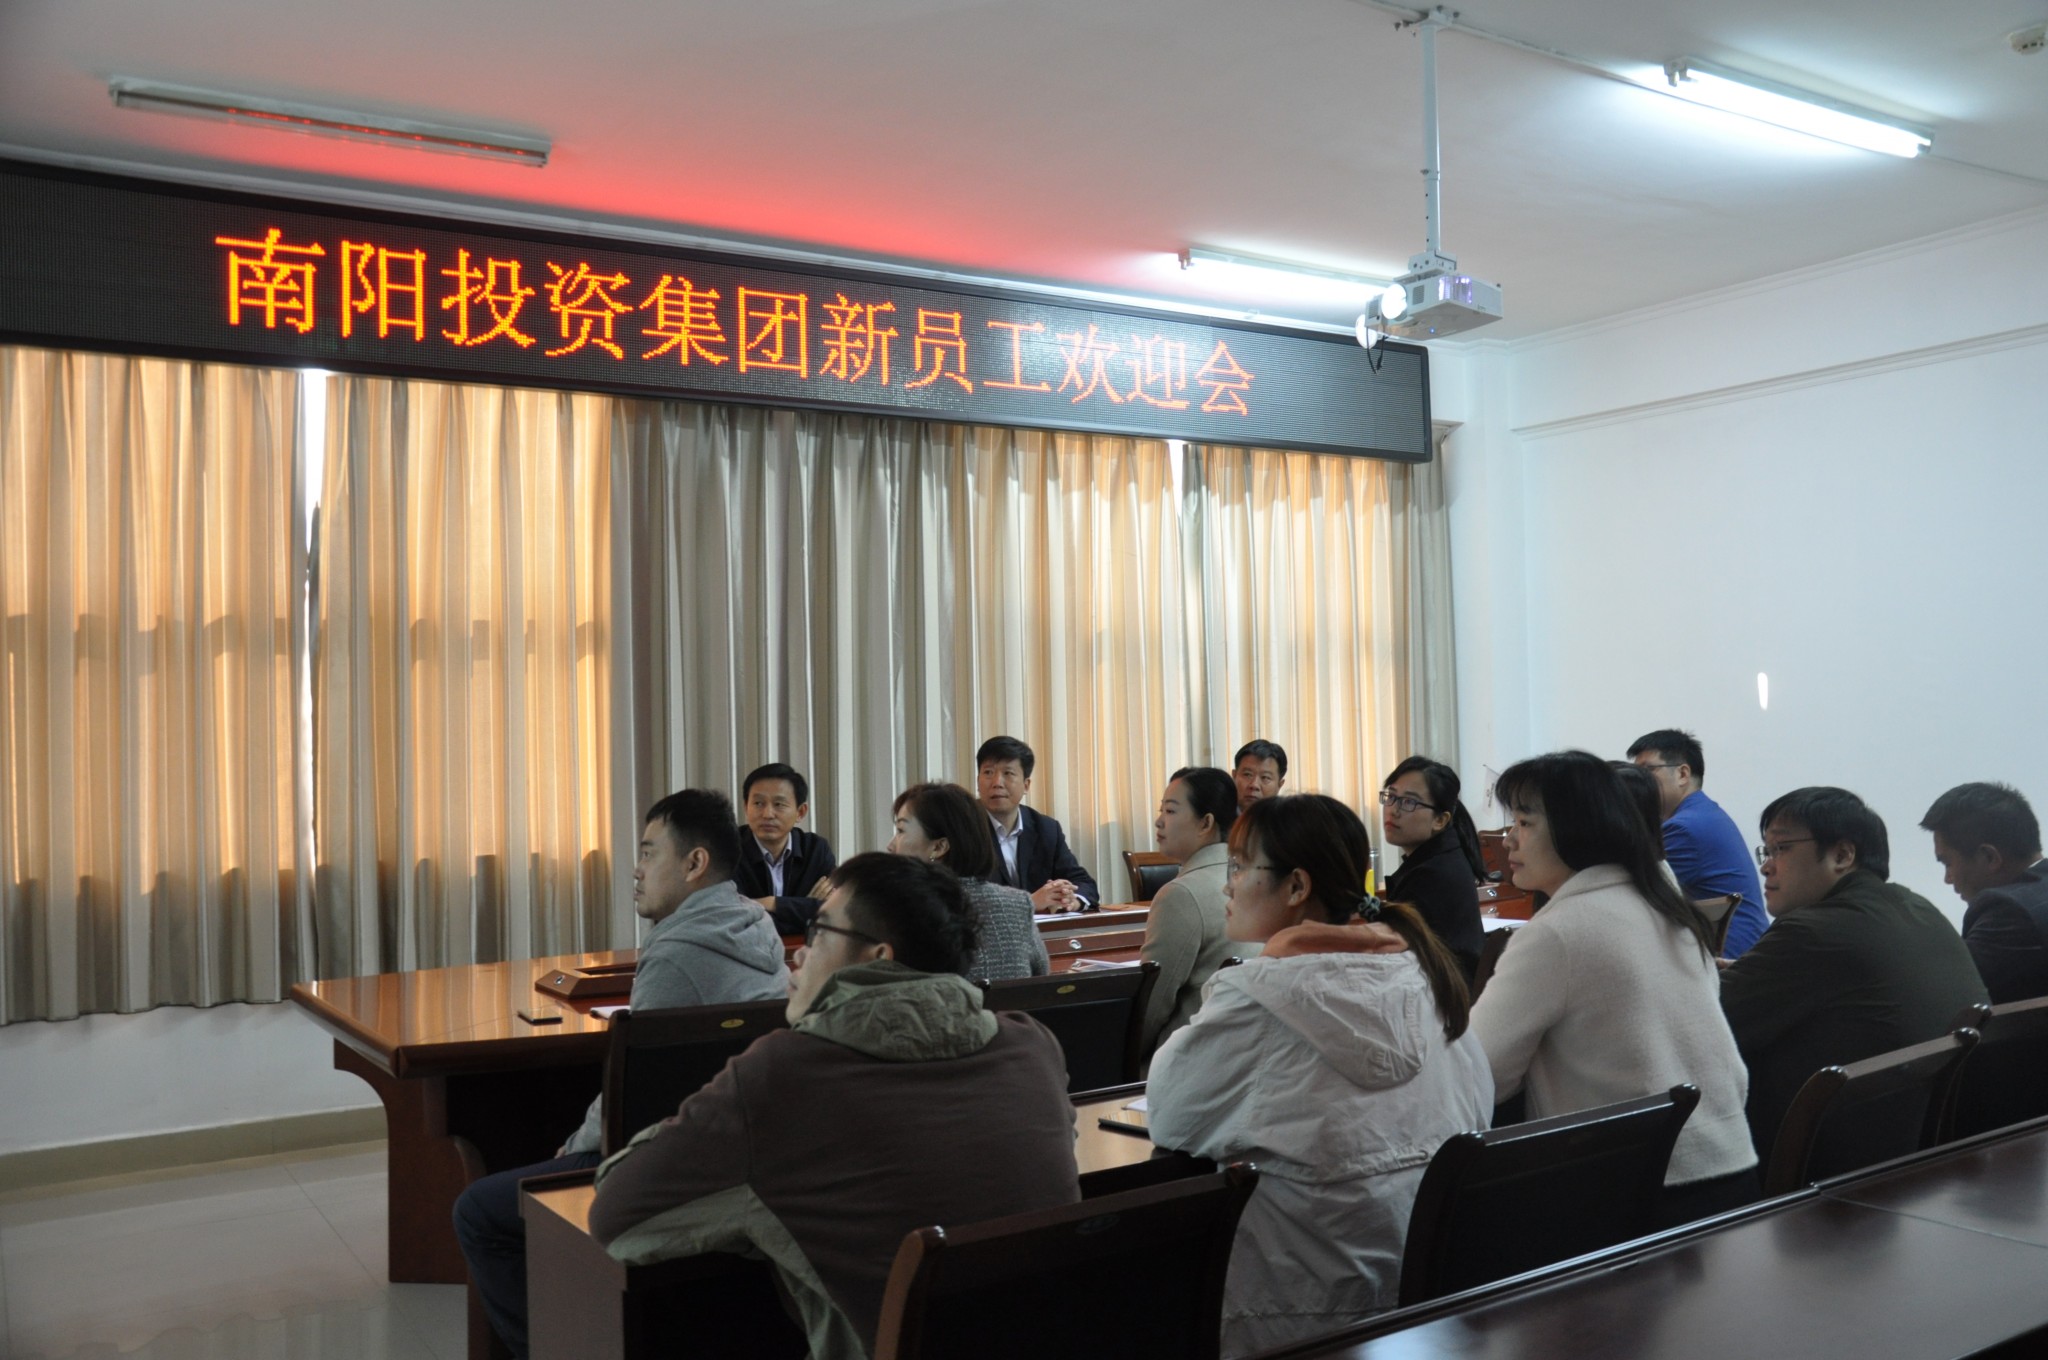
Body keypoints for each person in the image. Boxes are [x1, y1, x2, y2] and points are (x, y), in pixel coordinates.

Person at [588, 853, 1080, 1358]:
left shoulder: (788, 1073)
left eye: (819, 931)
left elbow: (619, 1215)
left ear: (878, 957)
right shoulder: (1032, 1046)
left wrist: (757, 1217)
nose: (797, 956)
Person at [1148, 794, 1493, 1356]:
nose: (1228, 885)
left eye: (1240, 866)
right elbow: (1480, 1102)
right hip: (1419, 1289)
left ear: (1296, 886)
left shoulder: (1260, 996)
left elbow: (1170, 1113)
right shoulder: (1421, 972)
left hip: (1295, 1302)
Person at [454, 790, 791, 1360]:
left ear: (695, 863)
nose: (636, 870)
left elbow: (631, 1097)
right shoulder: (754, 925)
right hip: (738, 1146)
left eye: (649, 853)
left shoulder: (678, 950)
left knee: (478, 1211)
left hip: (674, 1155)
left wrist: (575, 1145)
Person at [1472, 751, 1758, 1227]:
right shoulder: (1667, 907)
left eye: (1524, 822)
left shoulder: (1559, 931)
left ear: (1575, 829)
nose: (1509, 840)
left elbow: (1480, 1073)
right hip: (1731, 1170)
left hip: (1636, 1196)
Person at [1722, 787, 1989, 1166]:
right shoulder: (1917, 907)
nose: (1766, 867)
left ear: (1843, 855)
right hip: (1931, 1151)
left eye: (1781, 848)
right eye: (1766, 851)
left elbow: (1703, 1024)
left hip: (1827, 1167)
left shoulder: (1813, 931)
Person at [1137, 766, 1250, 1059]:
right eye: (1161, 810)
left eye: (1170, 811)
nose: (1159, 821)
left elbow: (1150, 1008)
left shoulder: (1180, 894)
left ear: (1205, 823)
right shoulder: (1253, 877)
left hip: (1187, 1058)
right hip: (1245, 1052)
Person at [1627, 729, 1769, 959]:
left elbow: (1631, 896)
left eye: (1647, 770)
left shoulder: (1684, 828)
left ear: (1683, 774)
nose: (1639, 781)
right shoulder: (1703, 813)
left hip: (1727, 958)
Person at [887, 780, 1050, 980]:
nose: (891, 846)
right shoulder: (1017, 904)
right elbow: (1041, 980)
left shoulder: (901, 910)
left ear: (939, 847)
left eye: (901, 831)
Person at [1920, 782, 2048, 1003]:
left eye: (1948, 863)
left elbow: (1944, 998)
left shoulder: (2008, 912)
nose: (1947, 879)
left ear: (1989, 857)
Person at [1378, 756, 1487, 980]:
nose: (1393, 810)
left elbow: (1393, 953)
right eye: (1391, 796)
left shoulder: (1432, 875)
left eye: (1409, 802)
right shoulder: (1441, 858)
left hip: (1441, 994)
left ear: (1440, 820)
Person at [974, 734, 1099, 911]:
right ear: (978, 781)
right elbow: (959, 898)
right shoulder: (961, 828)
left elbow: (1084, 883)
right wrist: (1029, 902)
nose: (997, 783)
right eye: (988, 773)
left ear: (1026, 785)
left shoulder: (1046, 829)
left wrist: (1071, 900)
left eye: (1008, 773)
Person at [731, 762, 837, 934]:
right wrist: (804, 909)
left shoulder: (815, 850)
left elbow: (834, 912)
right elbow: (733, 917)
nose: (767, 814)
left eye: (779, 804)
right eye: (758, 803)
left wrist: (772, 902)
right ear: (746, 807)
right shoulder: (727, 850)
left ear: (800, 812)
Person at [1231, 739, 1289, 812]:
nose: (1254, 785)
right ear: (1234, 776)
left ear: (1280, 785)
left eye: (1265, 777)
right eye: (1247, 775)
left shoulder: (1289, 818)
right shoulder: (1219, 816)